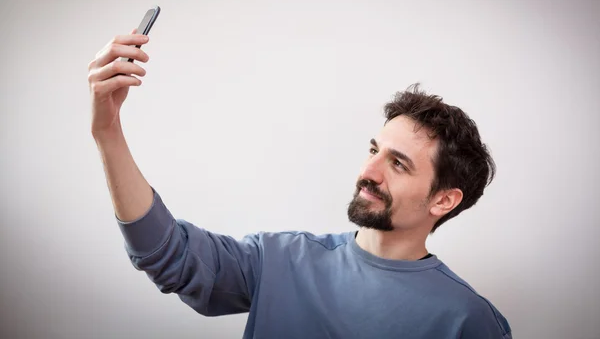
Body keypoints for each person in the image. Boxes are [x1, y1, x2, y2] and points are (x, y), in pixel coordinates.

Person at [88, 31, 512, 339]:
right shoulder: (280, 261)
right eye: (373, 150)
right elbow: (168, 255)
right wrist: (108, 133)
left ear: (444, 199)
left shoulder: (467, 321)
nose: (370, 172)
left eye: (398, 164)